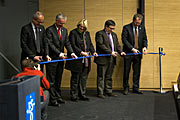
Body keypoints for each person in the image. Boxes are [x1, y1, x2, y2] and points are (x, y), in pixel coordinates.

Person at [46, 13, 77, 105]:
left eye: (64, 23)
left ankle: (58, 96)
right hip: (52, 58)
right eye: (60, 23)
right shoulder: (49, 30)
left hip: (61, 59)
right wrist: (59, 53)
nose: (62, 25)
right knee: (51, 80)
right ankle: (52, 99)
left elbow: (67, 43)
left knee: (59, 78)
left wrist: (72, 52)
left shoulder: (64, 30)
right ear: (56, 21)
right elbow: (50, 44)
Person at [65, 19, 98, 102]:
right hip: (77, 59)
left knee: (84, 78)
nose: (81, 28)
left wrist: (93, 52)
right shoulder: (73, 33)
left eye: (83, 27)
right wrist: (81, 52)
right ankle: (74, 95)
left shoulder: (87, 34)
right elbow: (72, 45)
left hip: (86, 60)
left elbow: (90, 44)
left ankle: (82, 94)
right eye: (80, 26)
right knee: (75, 78)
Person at [94, 20, 126, 99]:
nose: (112, 30)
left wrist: (121, 52)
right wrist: (110, 52)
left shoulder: (114, 35)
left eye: (113, 29)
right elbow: (100, 45)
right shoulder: (100, 34)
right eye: (111, 28)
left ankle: (108, 91)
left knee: (109, 76)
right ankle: (100, 93)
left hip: (111, 59)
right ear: (106, 27)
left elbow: (117, 45)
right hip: (102, 59)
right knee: (101, 76)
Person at [121, 13, 148, 95]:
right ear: (133, 21)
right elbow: (124, 40)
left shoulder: (142, 28)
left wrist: (145, 47)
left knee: (137, 71)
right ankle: (126, 88)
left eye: (139, 23)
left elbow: (144, 39)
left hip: (138, 54)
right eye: (136, 23)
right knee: (126, 71)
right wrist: (132, 49)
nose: (138, 24)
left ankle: (136, 88)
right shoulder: (126, 28)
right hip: (129, 53)